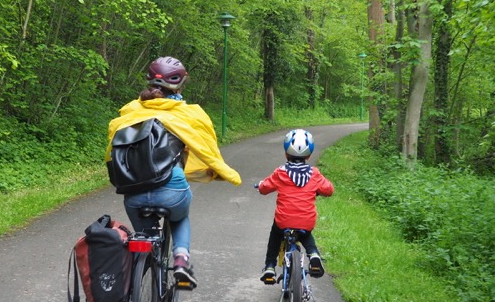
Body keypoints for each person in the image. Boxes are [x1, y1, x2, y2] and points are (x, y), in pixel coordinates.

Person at [106, 56, 241, 288]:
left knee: (144, 242)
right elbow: (204, 145)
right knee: (179, 217)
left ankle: (130, 300)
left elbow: (112, 151)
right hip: (172, 189)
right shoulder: (188, 114)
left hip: (133, 193)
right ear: (179, 85)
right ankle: (181, 260)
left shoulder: (129, 113)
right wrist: (213, 170)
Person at [256, 128, 334, 284]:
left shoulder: (281, 173)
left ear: (286, 153)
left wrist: (260, 185)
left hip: (284, 220)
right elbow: (329, 190)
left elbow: (265, 188)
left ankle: (270, 267)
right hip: (306, 220)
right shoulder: (314, 173)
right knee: (306, 235)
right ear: (309, 154)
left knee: (275, 234)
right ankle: (314, 255)